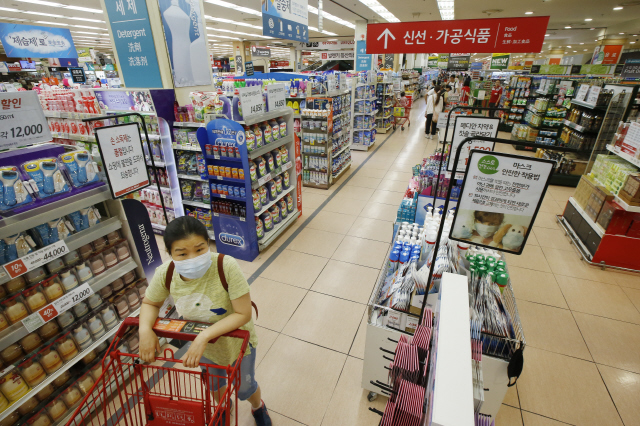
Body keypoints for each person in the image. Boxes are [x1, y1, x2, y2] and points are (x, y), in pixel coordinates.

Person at [139, 216, 271, 426]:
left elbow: (243, 313)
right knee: (215, 386)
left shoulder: (225, 266)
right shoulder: (167, 273)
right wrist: (145, 330)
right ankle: (223, 408)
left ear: (208, 245)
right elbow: (150, 303)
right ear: (170, 254)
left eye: (200, 249)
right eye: (182, 253)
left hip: (238, 344)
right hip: (206, 350)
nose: (192, 257)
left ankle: (258, 407)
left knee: (245, 387)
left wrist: (203, 336)